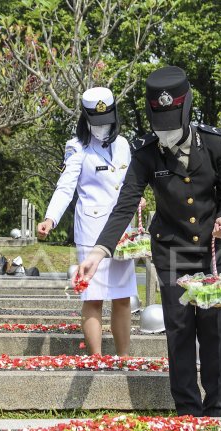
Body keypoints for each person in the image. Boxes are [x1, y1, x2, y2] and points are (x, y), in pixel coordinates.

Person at [77, 66, 221, 417]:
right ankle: (187, 411)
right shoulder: (146, 152)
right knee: (179, 330)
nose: (165, 135)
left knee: (213, 331)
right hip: (172, 251)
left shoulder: (214, 143)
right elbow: (124, 205)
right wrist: (98, 252)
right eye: (159, 127)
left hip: (212, 251)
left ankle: (215, 410)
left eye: (171, 127)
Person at [37, 87, 143, 356]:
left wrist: (137, 199)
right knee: (93, 297)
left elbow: (130, 183)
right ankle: (96, 356)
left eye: (105, 120)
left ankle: (124, 356)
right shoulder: (77, 147)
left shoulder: (123, 145)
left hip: (121, 232)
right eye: (95, 122)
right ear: (85, 119)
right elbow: (65, 187)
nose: (100, 127)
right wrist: (51, 218)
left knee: (122, 298)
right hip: (91, 231)